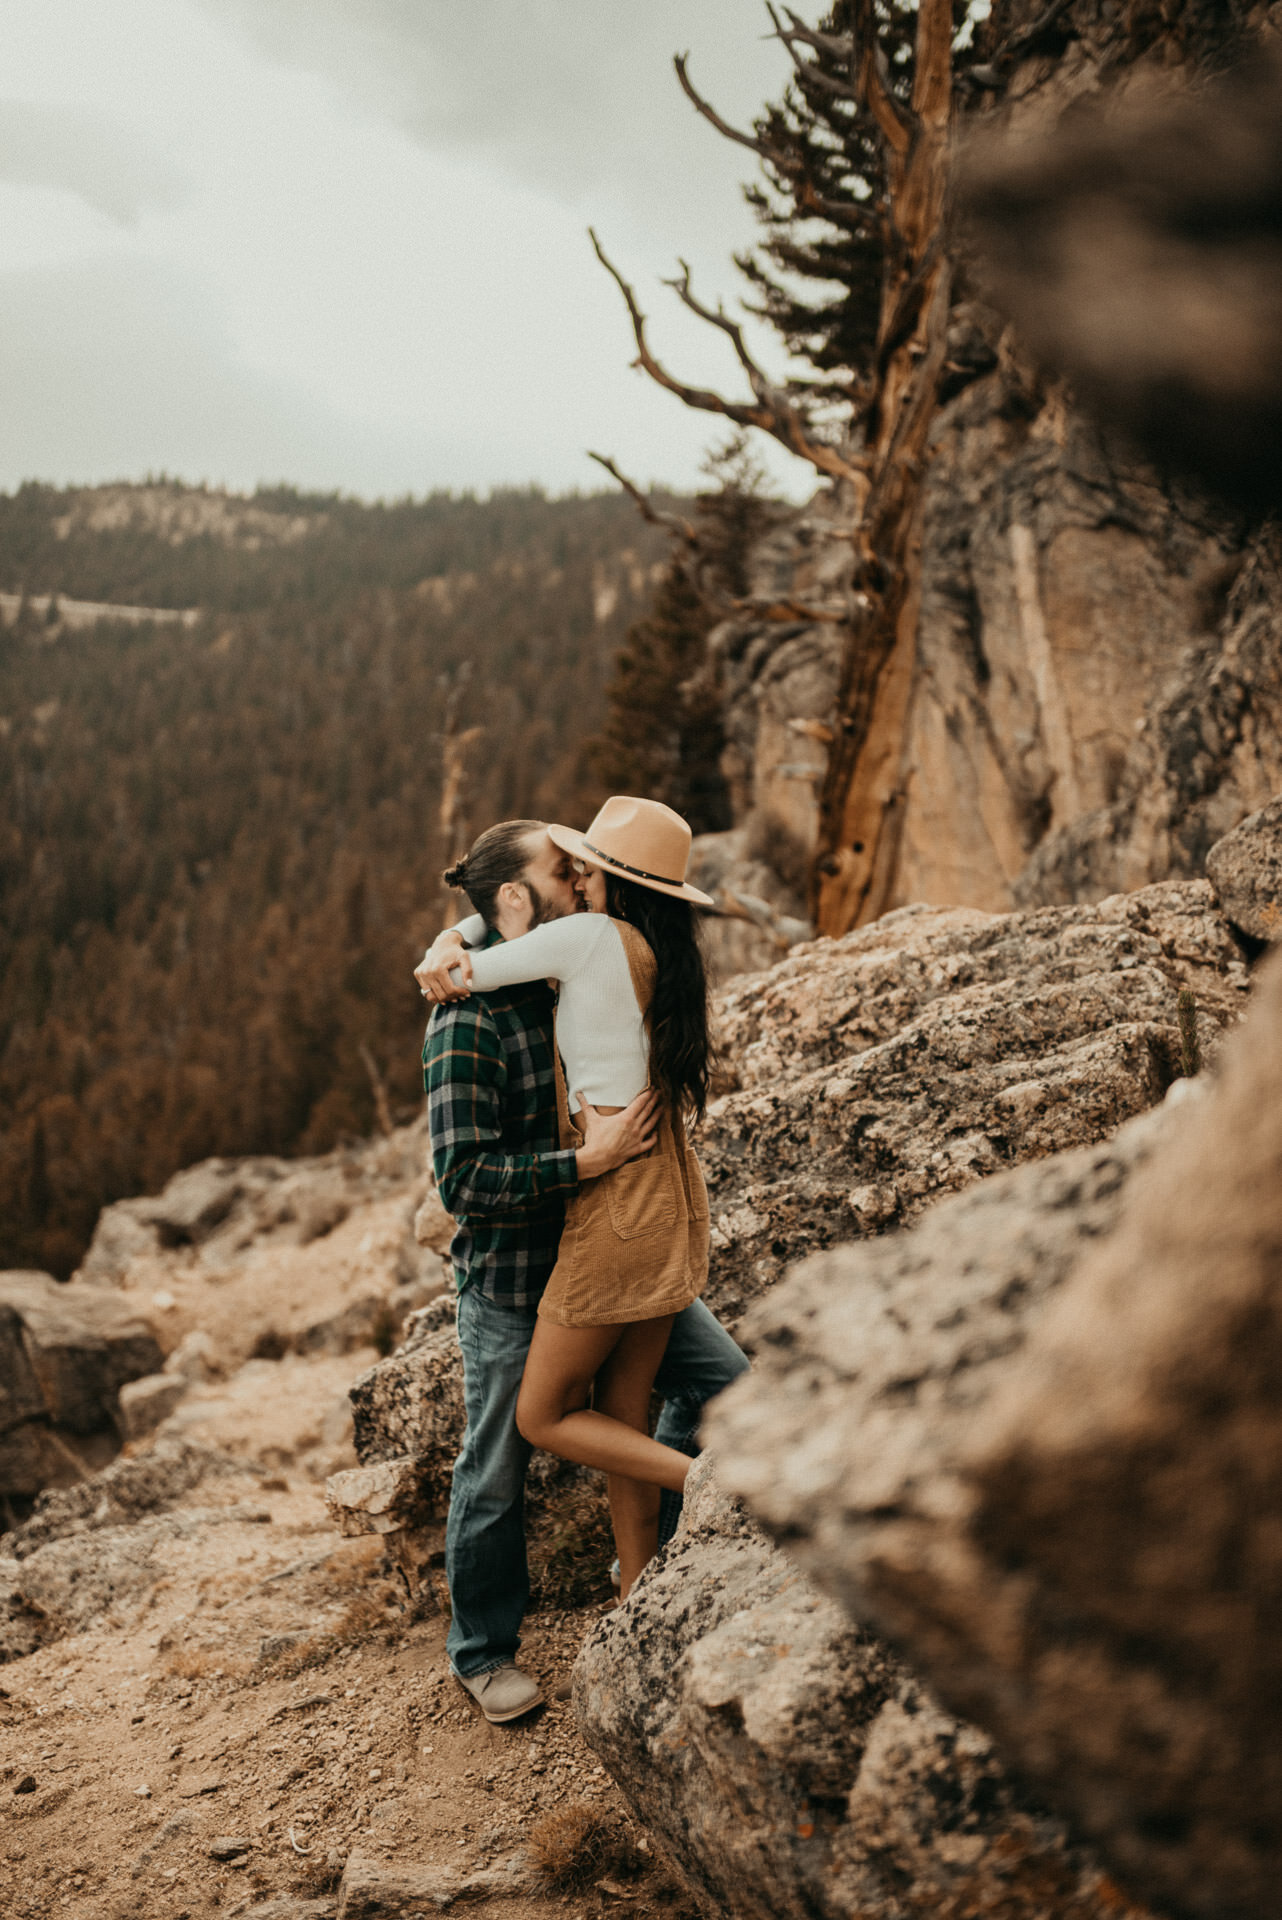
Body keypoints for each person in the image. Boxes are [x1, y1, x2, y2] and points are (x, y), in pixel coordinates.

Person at [417, 813, 747, 1724]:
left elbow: (490, 941)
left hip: (615, 1235)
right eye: (570, 868)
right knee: (497, 1466)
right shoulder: (471, 1025)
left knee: (702, 1393)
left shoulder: (573, 951)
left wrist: (455, 938)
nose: (582, 877)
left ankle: (659, 1560)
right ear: (524, 898)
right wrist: (581, 1165)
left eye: (590, 868)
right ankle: (486, 1654)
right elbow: (463, 1183)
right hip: (530, 1271)